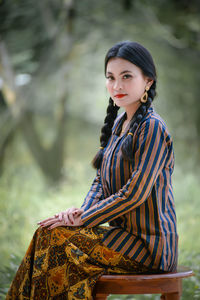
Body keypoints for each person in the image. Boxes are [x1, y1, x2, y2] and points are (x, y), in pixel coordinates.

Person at [6, 41, 178, 300]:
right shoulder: (120, 123)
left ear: (148, 81)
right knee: (47, 232)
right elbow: (100, 180)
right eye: (110, 77)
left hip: (149, 246)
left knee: (57, 239)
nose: (116, 86)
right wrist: (80, 213)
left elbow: (134, 194)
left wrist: (84, 220)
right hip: (121, 236)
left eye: (126, 76)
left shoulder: (152, 127)